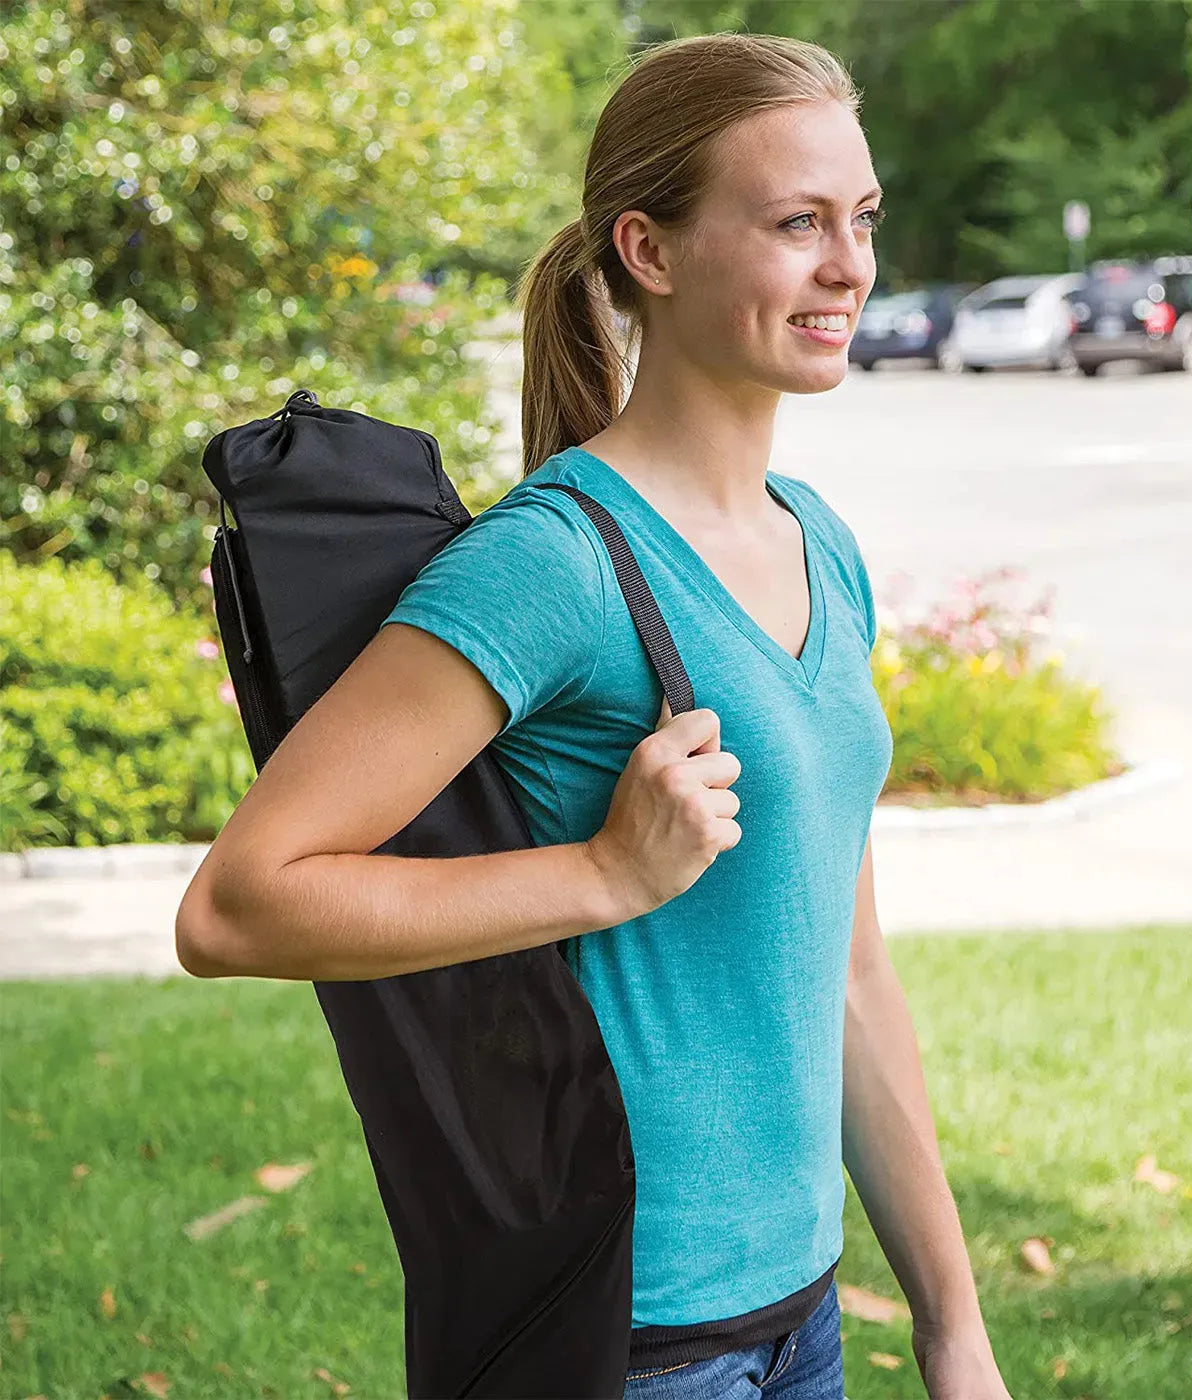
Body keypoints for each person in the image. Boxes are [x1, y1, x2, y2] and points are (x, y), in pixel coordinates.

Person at [176, 30, 1011, 1400]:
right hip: (629, 1340)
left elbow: (852, 975)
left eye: (861, 218)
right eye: (796, 223)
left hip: (801, 1323)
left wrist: (952, 1326)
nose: (850, 267)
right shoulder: (555, 564)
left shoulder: (820, 543)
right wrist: (607, 873)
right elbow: (235, 908)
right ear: (649, 250)